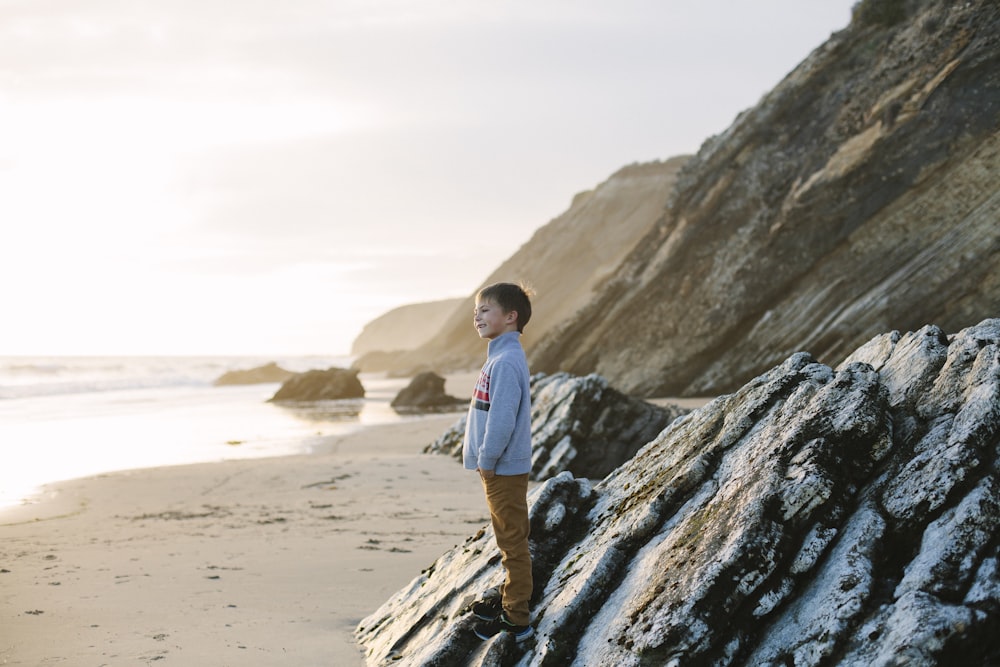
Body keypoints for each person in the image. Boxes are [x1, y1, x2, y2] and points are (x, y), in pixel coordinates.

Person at [463, 282, 535, 642]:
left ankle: (516, 618)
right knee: (508, 536)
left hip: (502, 467)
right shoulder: (500, 356)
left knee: (511, 542)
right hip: (499, 466)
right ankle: (512, 599)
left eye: (485, 309)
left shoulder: (505, 361)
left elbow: (502, 418)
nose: (477, 315)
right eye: (476, 310)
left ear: (511, 317)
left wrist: (487, 458)